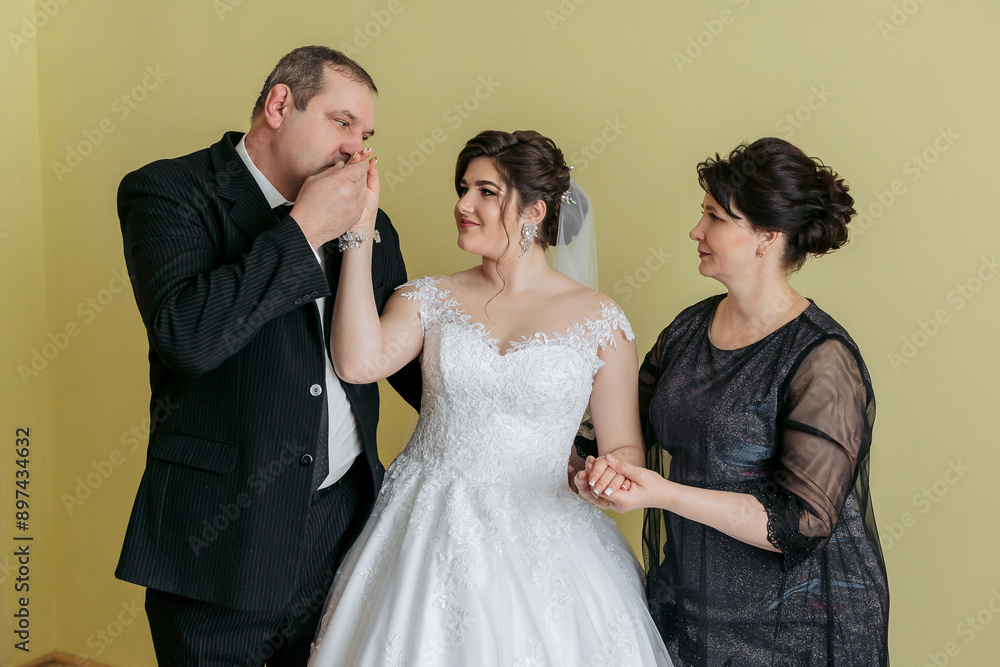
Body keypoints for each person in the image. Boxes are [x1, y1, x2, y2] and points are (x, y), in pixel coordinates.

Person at [307, 130, 673, 666]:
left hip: (547, 532)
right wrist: (359, 234)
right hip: (425, 523)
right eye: (463, 188)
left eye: (486, 192)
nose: (463, 205)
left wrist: (604, 475)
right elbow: (359, 363)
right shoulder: (426, 298)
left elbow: (625, 449)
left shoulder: (602, 321)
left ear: (534, 211)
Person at [115, 46, 420, 666]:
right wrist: (303, 231)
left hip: (344, 535)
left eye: (365, 134)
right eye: (342, 124)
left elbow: (405, 361)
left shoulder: (369, 221)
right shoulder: (168, 193)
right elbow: (188, 337)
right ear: (280, 104)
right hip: (220, 545)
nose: (356, 150)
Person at [575, 137, 890, 665]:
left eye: (715, 217)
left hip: (794, 623)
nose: (695, 231)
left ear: (768, 236)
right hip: (692, 603)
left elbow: (801, 523)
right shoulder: (689, 328)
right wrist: (586, 465)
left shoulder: (822, 359)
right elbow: (618, 429)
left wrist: (664, 494)